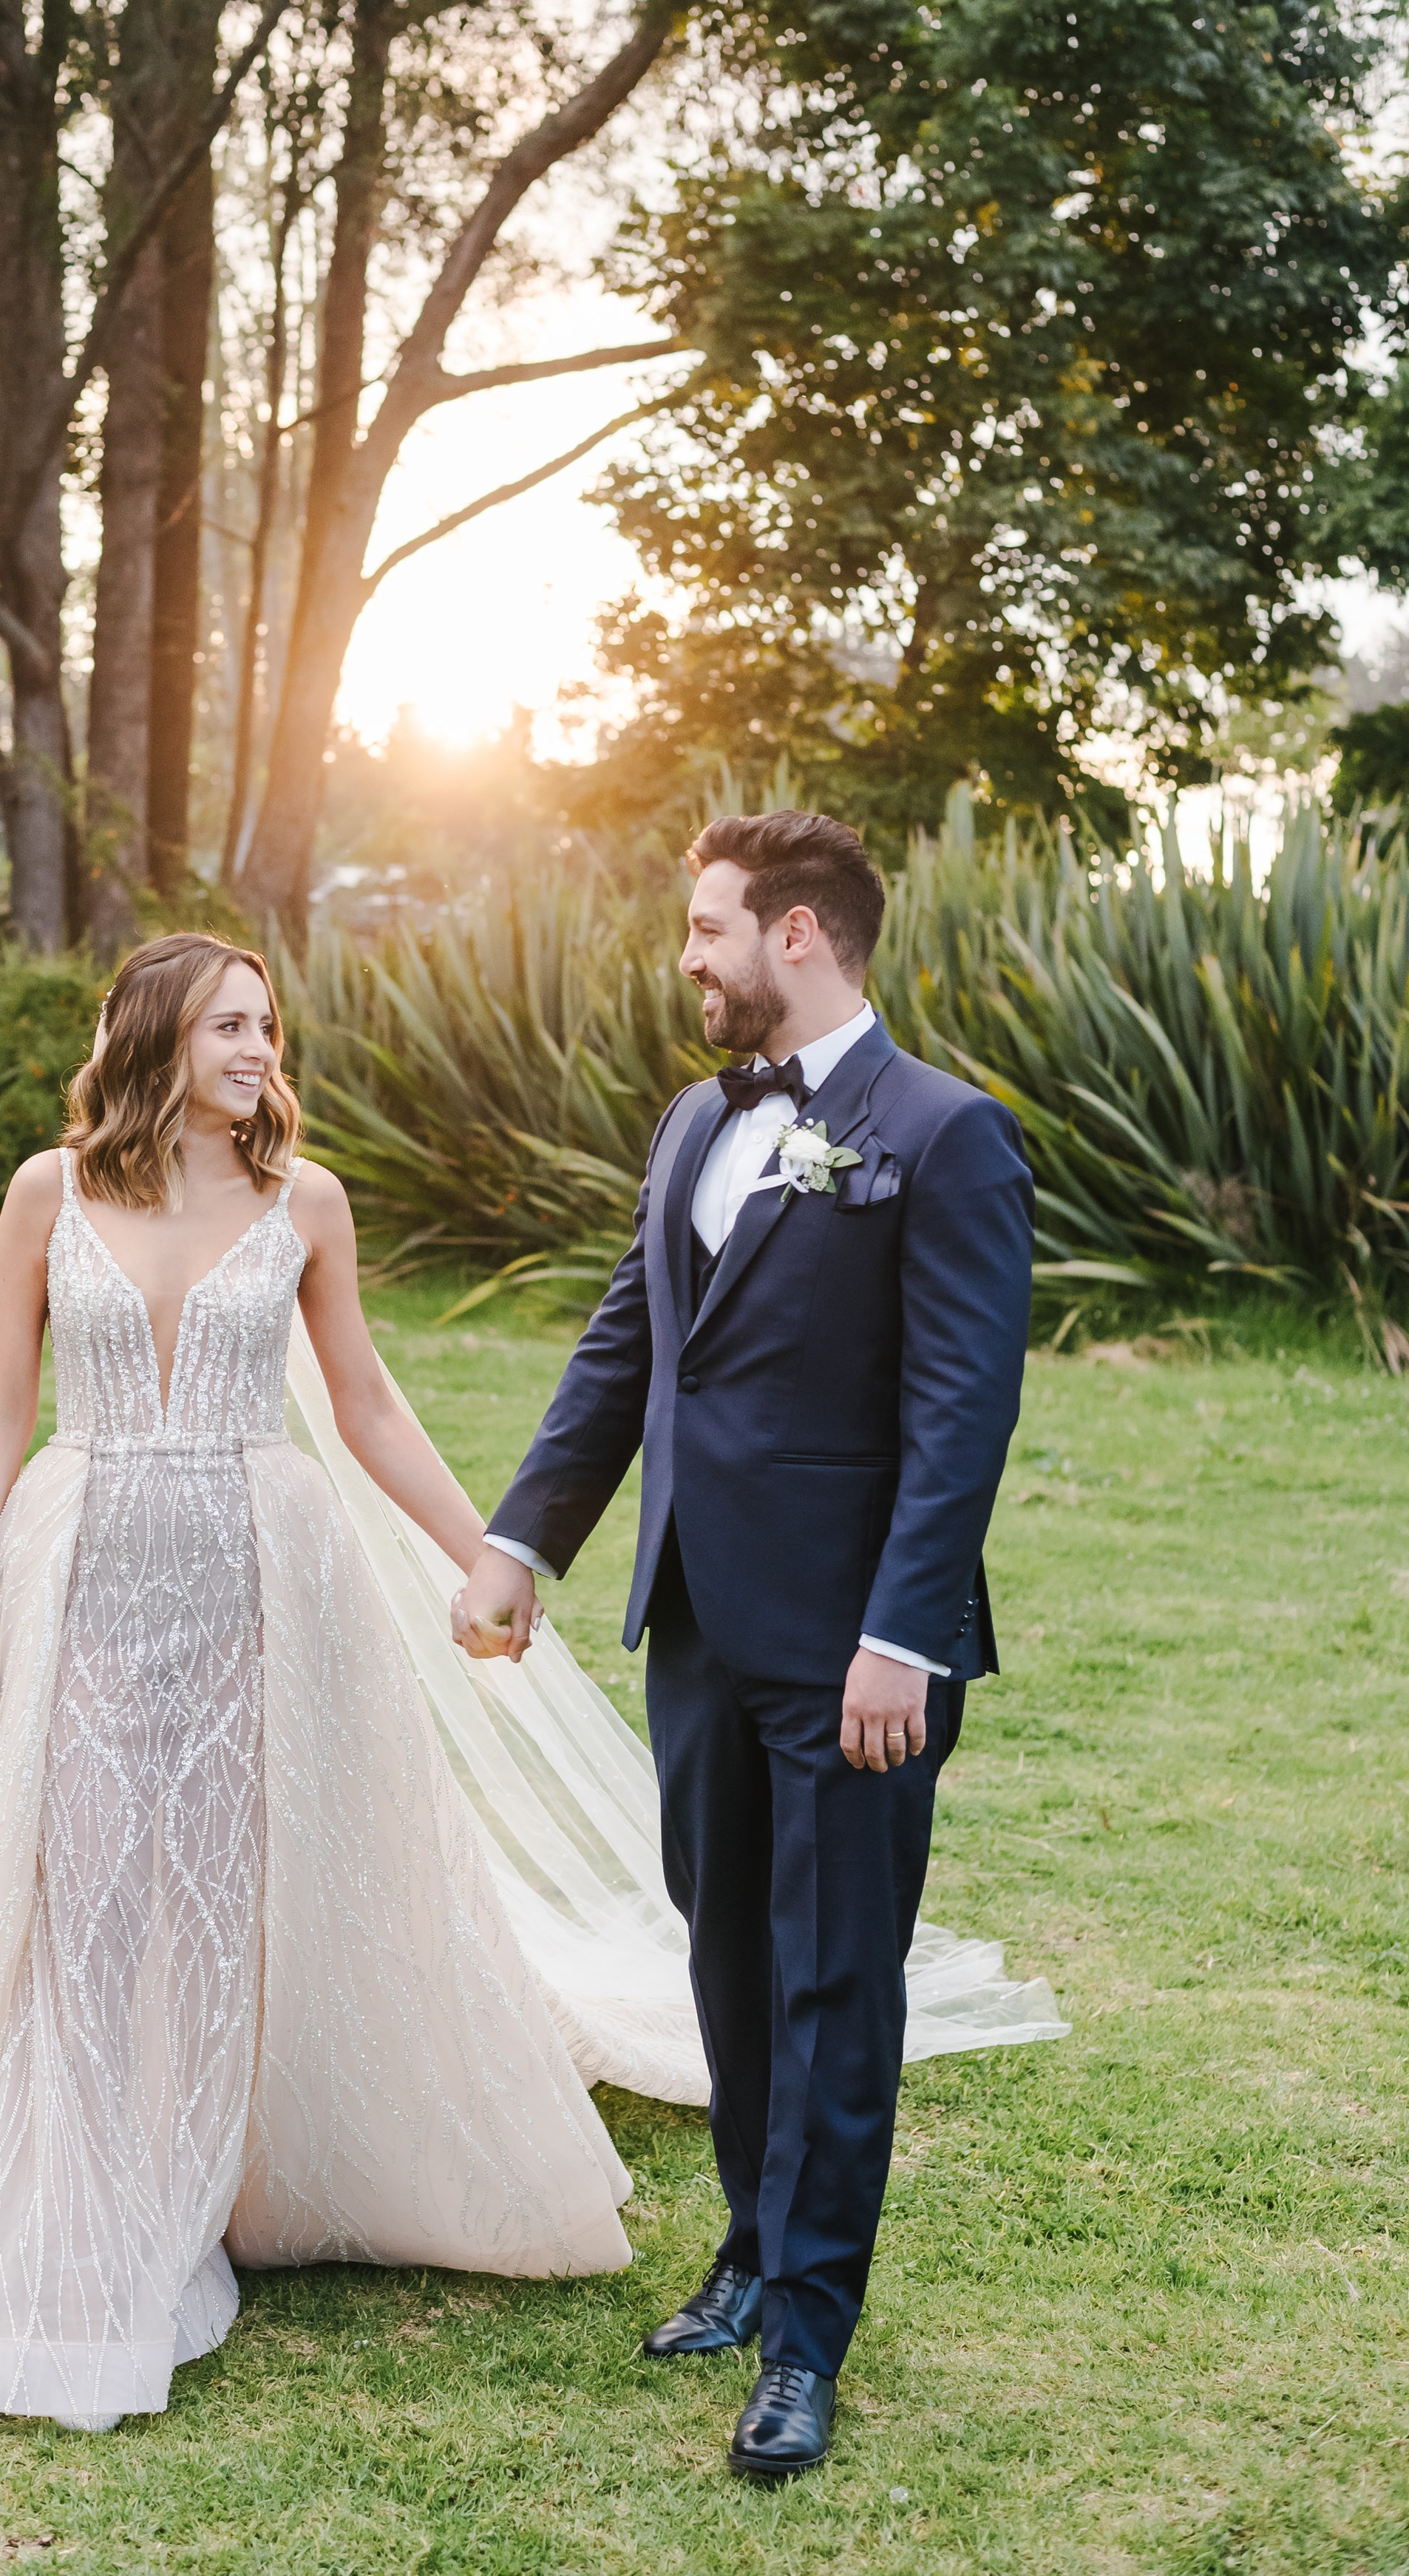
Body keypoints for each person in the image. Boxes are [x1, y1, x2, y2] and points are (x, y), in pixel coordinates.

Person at [0, 932, 634, 2430]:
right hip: (73, 1572)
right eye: (226, 1027)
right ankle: (76, 2191)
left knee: (213, 1904)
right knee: (85, 1900)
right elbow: (3, 1407)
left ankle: (187, 2184)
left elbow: (367, 1404)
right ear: (155, 1035)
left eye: (265, 1029)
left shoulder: (304, 1200)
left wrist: (492, 1551)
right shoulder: (46, 1191)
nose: (256, 1053)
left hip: (251, 1584)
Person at [454, 810, 1035, 2483]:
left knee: (834, 1976)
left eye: (707, 926)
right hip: (697, 1623)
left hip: (856, 1651)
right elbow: (627, 1347)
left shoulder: (941, 1135)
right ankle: (751, 2238)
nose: (686, 957)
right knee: (722, 1957)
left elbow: (956, 1416)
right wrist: (521, 1540)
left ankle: (804, 2338)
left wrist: (899, 1637)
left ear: (795, 935)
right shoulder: (690, 1125)